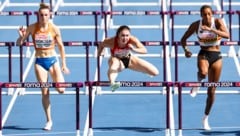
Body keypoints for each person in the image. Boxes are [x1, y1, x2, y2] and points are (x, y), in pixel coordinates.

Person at [16, 3, 70, 131]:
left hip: (52, 60)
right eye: (41, 15)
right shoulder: (32, 28)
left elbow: (61, 47)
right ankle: (49, 120)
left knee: (61, 90)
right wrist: (20, 36)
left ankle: (58, 80)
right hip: (40, 62)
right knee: (45, 92)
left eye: (46, 15)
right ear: (38, 15)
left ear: (49, 15)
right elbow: (19, 43)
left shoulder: (55, 28)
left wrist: (64, 64)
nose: (44, 17)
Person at [180, 5, 229, 130]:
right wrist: (186, 50)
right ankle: (197, 83)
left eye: (209, 14)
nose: (207, 16)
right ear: (201, 15)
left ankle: (205, 118)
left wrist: (213, 30)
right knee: (202, 72)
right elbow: (183, 39)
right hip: (204, 54)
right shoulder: (196, 25)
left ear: (212, 14)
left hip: (217, 55)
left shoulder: (217, 22)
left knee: (211, 91)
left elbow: (227, 35)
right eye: (204, 14)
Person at [97, 25, 159, 91]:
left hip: (129, 59)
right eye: (123, 35)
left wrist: (134, 49)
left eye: (127, 35)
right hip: (116, 59)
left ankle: (142, 70)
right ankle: (113, 84)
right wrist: (100, 53)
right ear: (118, 36)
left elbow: (144, 50)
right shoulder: (111, 41)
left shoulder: (132, 40)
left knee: (155, 72)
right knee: (114, 65)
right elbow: (101, 45)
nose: (125, 38)